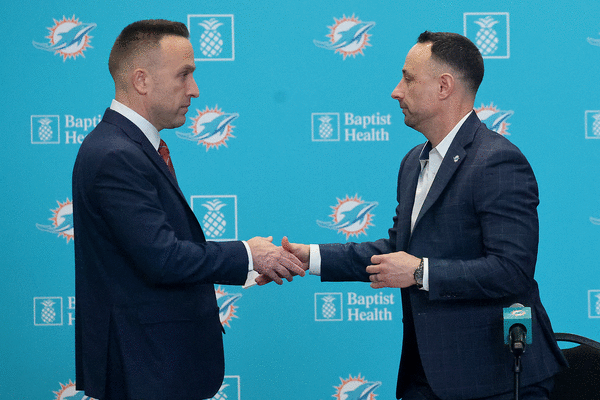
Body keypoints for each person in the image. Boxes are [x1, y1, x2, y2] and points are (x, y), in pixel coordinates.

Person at [277, 31, 566, 399]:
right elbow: (397, 251)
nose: (396, 91)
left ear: (444, 86)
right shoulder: (413, 161)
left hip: (494, 380)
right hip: (426, 376)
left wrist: (419, 272)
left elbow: (512, 270)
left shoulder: (497, 161)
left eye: (408, 79)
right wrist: (310, 258)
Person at [72, 19, 304, 400]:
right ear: (142, 80)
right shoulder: (116, 154)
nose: (194, 90)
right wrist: (249, 254)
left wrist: (249, 261)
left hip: (156, 367)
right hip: (145, 369)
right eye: (184, 75)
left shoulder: (129, 147)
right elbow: (162, 258)